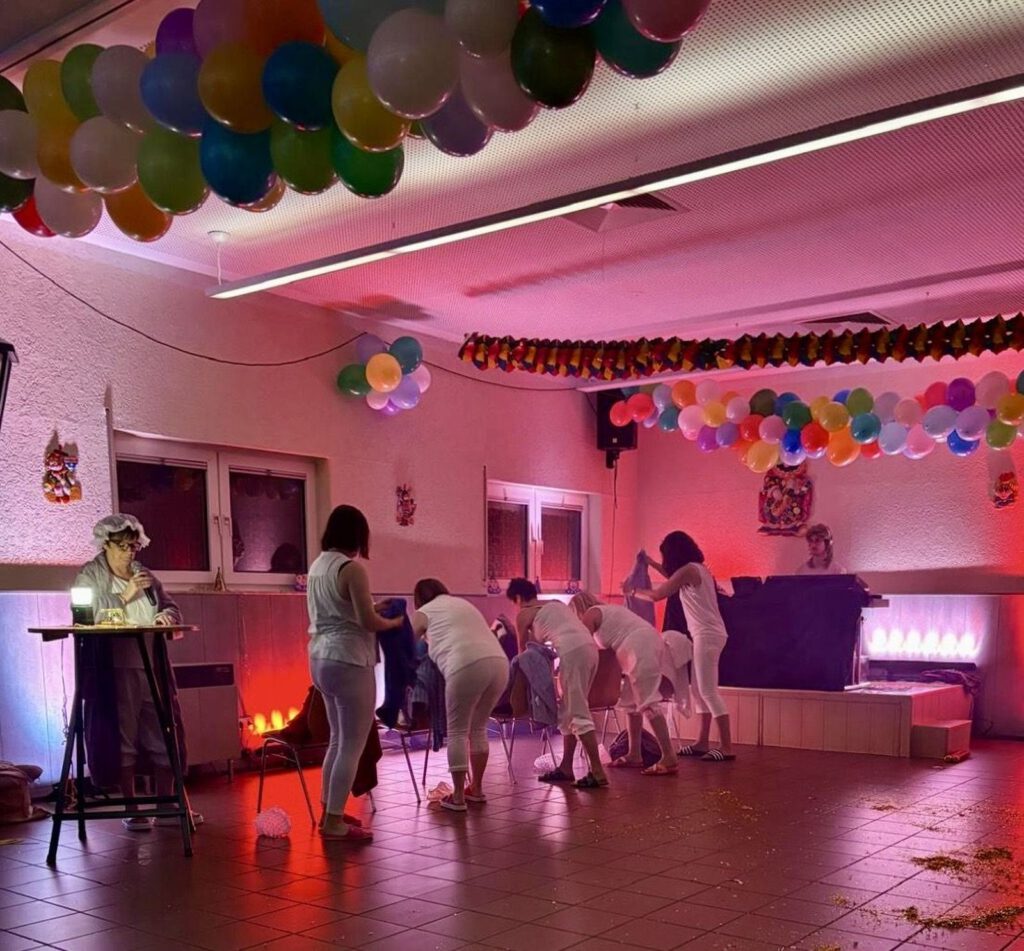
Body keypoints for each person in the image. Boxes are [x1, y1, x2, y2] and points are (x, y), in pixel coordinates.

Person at [75, 514, 190, 830]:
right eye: (122, 546)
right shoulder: (91, 575)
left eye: (134, 546)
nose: (129, 553)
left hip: (151, 664)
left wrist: (166, 616)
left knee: (163, 730)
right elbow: (86, 616)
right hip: (116, 668)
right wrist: (126, 594)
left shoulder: (144, 574)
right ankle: (132, 806)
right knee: (122, 735)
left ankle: (166, 802)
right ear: (106, 544)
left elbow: (170, 606)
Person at [307, 505, 403, 841]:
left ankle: (329, 812)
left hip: (320, 658)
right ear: (358, 535)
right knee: (352, 744)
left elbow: (340, 609)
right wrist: (393, 622)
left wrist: (372, 608)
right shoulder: (352, 569)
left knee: (337, 740)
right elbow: (366, 622)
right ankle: (334, 822)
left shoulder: (318, 566)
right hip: (349, 660)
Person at [632, 532, 735, 762]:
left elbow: (659, 594)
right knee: (699, 691)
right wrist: (651, 563)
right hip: (706, 635)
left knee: (708, 691)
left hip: (707, 635)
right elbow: (672, 577)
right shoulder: (696, 569)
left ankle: (726, 747)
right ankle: (702, 742)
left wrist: (632, 590)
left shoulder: (690, 570)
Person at [411, 579, 509, 812]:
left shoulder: (423, 612)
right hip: (499, 664)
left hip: (464, 665)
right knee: (478, 728)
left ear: (418, 599)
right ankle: (476, 789)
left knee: (457, 731)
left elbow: (406, 645)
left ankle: (457, 797)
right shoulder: (462, 604)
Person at [507, 579, 609, 789]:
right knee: (567, 711)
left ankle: (598, 771)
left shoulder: (524, 614)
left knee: (578, 711)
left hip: (572, 652)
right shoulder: (555, 604)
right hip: (589, 650)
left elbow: (523, 655)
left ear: (517, 598)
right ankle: (566, 767)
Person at [569, 592, 678, 776]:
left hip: (638, 645)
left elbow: (583, 645)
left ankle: (669, 756)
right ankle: (634, 754)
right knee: (630, 703)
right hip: (640, 643)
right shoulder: (609, 611)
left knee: (647, 701)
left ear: (577, 610)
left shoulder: (591, 614)